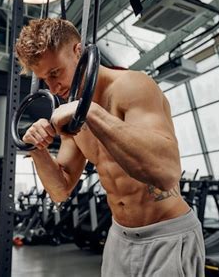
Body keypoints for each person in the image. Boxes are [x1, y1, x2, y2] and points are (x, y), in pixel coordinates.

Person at [15, 18, 205, 276]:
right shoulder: (71, 113)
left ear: (78, 51)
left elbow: (166, 173)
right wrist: (37, 149)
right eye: (44, 80)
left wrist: (91, 112)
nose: (53, 87)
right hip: (118, 236)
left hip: (166, 235)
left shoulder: (132, 86)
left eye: (55, 73)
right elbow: (60, 190)